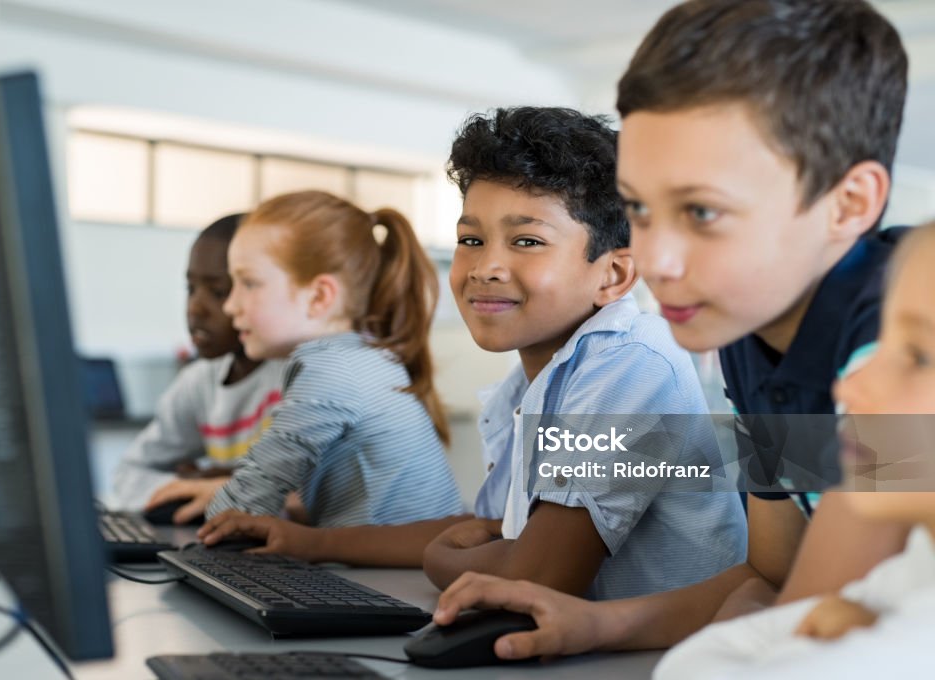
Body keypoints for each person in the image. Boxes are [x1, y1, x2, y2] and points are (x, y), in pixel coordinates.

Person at [431, 0, 913, 658]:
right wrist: (594, 625)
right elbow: (774, 577)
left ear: (848, 204)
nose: (655, 261)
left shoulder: (902, 336)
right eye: (640, 209)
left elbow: (818, 620)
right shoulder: (752, 332)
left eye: (703, 211)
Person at [200, 108, 746, 601]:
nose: (485, 266)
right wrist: (309, 542)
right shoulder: (532, 381)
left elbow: (538, 575)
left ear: (615, 274)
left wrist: (442, 559)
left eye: (526, 241)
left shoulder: (628, 360)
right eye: (471, 239)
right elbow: (486, 529)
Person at [653, 222, 935, 680]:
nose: (849, 384)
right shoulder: (917, 568)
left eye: (918, 357)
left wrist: (783, 625)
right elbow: (770, 571)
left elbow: (692, 669)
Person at [152, 190, 463, 527]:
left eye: (248, 284)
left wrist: (214, 514)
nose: (230, 306)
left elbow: (247, 501)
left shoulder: (332, 371)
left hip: (391, 576)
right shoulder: (360, 357)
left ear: (318, 296)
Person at [112, 213, 286, 516]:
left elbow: (309, 499)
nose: (195, 308)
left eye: (218, 292)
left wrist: (225, 483)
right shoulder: (200, 382)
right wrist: (188, 486)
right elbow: (128, 475)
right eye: (191, 289)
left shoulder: (297, 376)